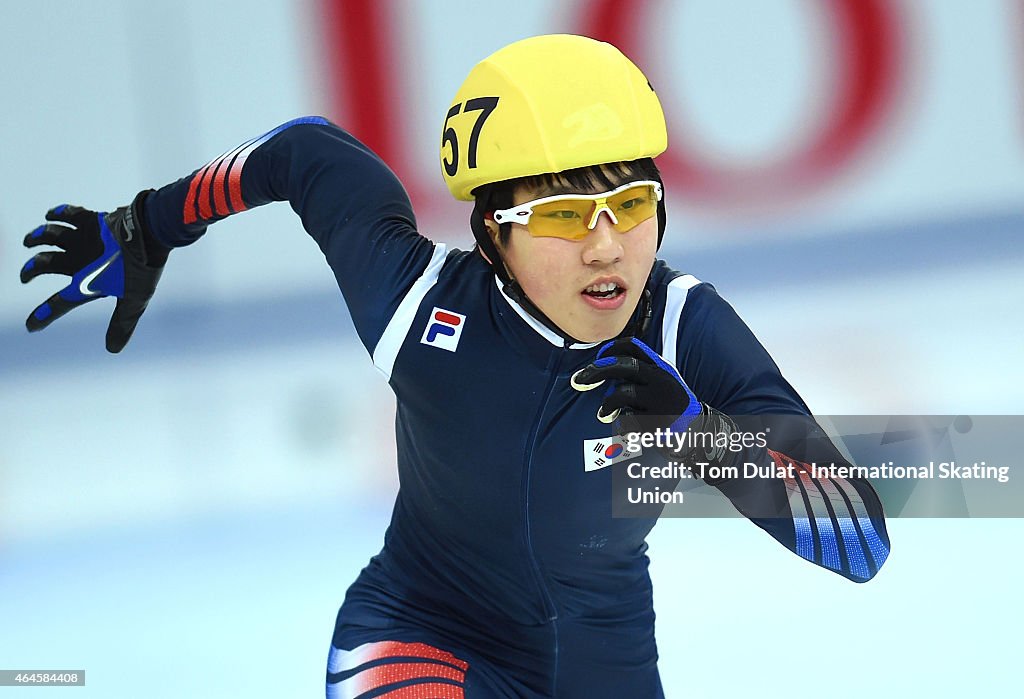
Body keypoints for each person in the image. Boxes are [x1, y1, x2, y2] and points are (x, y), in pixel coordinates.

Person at [21, 34, 889, 699]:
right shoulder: (413, 300)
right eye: (561, 215)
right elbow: (306, 154)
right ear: (491, 233)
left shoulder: (685, 325)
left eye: (630, 205)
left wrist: (701, 437)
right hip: (421, 636)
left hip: (605, 664)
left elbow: (861, 542)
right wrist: (147, 225)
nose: (605, 246)